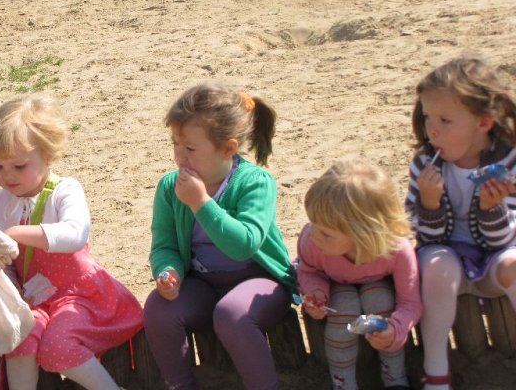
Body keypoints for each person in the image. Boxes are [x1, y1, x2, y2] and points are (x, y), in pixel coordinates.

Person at [0, 94, 143, 390]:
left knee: (59, 344)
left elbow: (75, 234)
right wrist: (12, 288)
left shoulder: (64, 191)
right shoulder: (0, 203)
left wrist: (17, 234)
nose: (7, 176)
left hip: (78, 295)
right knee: (18, 336)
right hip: (34, 296)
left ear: (47, 155)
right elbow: (1, 259)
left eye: (18, 166)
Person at [143, 81, 296, 390]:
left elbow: (243, 245)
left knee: (231, 313)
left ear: (228, 148)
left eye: (189, 149)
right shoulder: (170, 187)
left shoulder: (255, 182)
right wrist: (168, 271)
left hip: (259, 282)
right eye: (174, 144)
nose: (179, 157)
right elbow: (164, 244)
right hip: (204, 284)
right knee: (158, 308)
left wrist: (201, 203)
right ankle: (180, 385)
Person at [405, 57, 516, 390]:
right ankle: (436, 372)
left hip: (496, 256)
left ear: (483, 122)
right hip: (446, 260)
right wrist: (429, 202)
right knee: (436, 264)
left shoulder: (509, 162)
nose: (432, 130)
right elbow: (426, 237)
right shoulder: (424, 163)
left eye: (445, 120)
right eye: (427, 117)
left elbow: (502, 240)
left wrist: (490, 207)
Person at [296, 157, 421, 390]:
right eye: (313, 224)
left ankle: (395, 378)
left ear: (361, 234)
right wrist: (316, 293)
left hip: (380, 287)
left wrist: (395, 329)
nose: (314, 235)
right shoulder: (313, 242)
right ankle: (343, 383)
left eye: (326, 233)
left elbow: (411, 303)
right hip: (337, 286)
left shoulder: (396, 251)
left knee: (379, 300)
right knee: (344, 307)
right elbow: (307, 271)